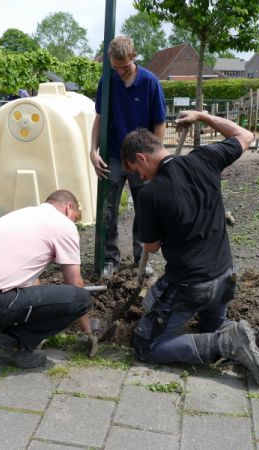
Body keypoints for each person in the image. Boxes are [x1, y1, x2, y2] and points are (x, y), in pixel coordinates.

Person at [120, 111, 259, 389]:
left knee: (147, 345)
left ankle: (226, 343)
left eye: (136, 170)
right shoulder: (204, 158)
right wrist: (204, 117)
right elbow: (245, 136)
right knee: (210, 327)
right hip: (226, 277)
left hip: (191, 286)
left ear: (142, 158)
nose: (139, 176)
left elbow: (152, 247)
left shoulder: (150, 194)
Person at [0, 190, 95, 368]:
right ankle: (11, 345)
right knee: (81, 299)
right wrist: (88, 331)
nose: (73, 223)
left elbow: (29, 280)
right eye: (75, 218)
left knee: (7, 288)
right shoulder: (63, 224)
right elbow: (75, 284)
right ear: (69, 208)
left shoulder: (22, 215)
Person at [90, 35, 167, 279]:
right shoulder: (108, 81)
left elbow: (160, 123)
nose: (120, 72)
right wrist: (92, 150)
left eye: (124, 67)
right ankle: (110, 259)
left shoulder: (150, 82)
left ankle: (140, 257)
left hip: (140, 160)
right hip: (113, 155)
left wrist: (154, 158)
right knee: (108, 209)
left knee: (144, 208)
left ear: (134, 57)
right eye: (116, 67)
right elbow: (100, 118)